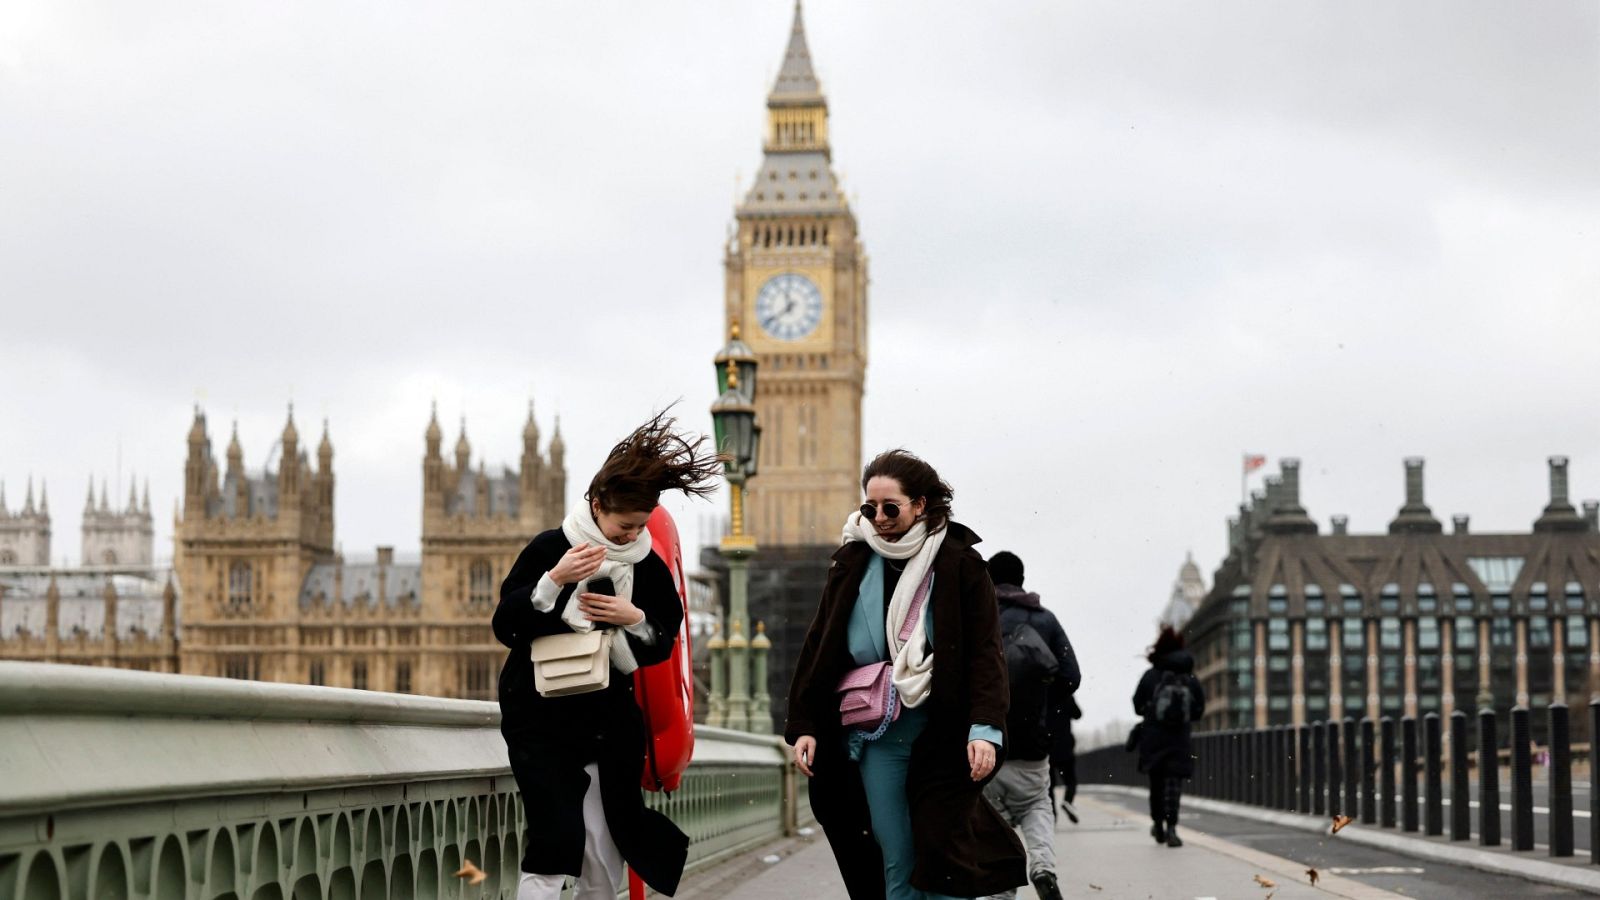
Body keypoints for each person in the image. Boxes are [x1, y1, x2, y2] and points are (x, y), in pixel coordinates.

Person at [493, 412, 721, 899]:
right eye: (623, 526)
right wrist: (554, 581)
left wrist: (632, 617)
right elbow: (506, 626)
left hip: (607, 723)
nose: (630, 536)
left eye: (639, 527)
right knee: (554, 841)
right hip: (541, 719)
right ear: (596, 506)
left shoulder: (647, 566)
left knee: (603, 849)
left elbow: (664, 641)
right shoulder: (551, 548)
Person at [785, 449, 1026, 900]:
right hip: (878, 734)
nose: (878, 518)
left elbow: (984, 653)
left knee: (943, 852)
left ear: (920, 505)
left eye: (890, 507)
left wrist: (985, 727)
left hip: (945, 733)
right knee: (894, 851)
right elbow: (820, 646)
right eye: (869, 508)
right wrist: (805, 723)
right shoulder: (853, 562)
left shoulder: (960, 563)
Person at [980, 551, 1078, 900]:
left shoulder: (977, 617)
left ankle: (1001, 894)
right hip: (1032, 740)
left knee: (995, 825)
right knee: (1036, 804)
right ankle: (1042, 867)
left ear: (987, 580)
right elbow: (1071, 676)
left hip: (984, 742)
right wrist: (1042, 702)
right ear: (1022, 580)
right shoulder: (1043, 619)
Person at [1131, 626, 1206, 848]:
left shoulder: (1151, 675)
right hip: (1179, 738)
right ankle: (1172, 828)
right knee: (1174, 783)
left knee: (1156, 783)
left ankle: (1158, 825)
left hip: (1153, 738)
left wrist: (1151, 711)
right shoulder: (1189, 677)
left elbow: (1136, 705)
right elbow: (1199, 709)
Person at [1047, 693, 1082, 823]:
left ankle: (1052, 814)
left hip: (1047, 747)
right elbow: (1078, 714)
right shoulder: (1065, 693)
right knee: (1071, 780)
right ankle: (1068, 800)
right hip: (1065, 746)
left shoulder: (1044, 693)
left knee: (1049, 784)